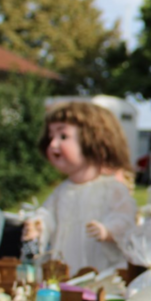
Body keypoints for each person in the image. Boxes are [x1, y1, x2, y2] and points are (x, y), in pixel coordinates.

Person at [22, 101, 136, 273]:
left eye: (63, 136)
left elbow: (125, 218)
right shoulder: (62, 191)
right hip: (65, 264)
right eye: (51, 136)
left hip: (101, 267)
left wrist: (108, 231)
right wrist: (38, 226)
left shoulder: (111, 189)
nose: (53, 144)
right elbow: (48, 215)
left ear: (93, 139)